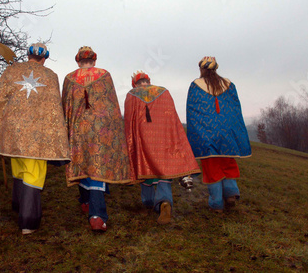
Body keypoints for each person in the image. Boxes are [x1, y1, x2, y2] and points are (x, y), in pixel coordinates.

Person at [0, 42, 70, 234]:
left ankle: (18, 206)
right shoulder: (51, 76)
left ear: (28, 56)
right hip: (37, 134)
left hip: (14, 131)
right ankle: (28, 221)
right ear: (45, 58)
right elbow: (54, 107)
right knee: (33, 172)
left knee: (18, 167)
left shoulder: (12, 70)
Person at [61, 46, 131, 232]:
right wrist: (114, 128)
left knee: (82, 162)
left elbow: (65, 107)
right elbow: (112, 105)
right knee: (97, 166)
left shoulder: (69, 78)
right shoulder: (105, 75)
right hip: (101, 131)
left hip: (78, 130)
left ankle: (85, 201)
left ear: (78, 61)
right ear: (94, 60)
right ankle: (97, 216)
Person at [124, 71, 201, 224]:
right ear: (148, 81)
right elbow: (172, 117)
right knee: (164, 169)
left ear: (135, 83)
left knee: (145, 168)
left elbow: (129, 121)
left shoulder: (132, 95)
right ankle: (164, 201)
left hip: (143, 140)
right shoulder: (164, 92)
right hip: (163, 138)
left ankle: (148, 202)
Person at [186, 56, 251, 213]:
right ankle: (231, 193)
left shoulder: (196, 85)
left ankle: (216, 204)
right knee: (228, 162)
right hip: (227, 134)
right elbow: (235, 110)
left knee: (212, 168)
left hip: (206, 134)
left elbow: (193, 113)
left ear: (202, 70)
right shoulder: (229, 85)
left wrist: (196, 134)